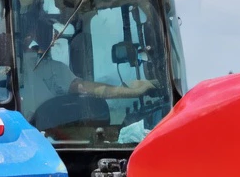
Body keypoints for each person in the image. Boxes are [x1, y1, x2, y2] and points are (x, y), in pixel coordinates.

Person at [17, 17, 155, 119]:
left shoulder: (6, 67)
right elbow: (84, 88)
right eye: (51, 34)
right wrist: (133, 91)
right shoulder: (51, 68)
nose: (54, 40)